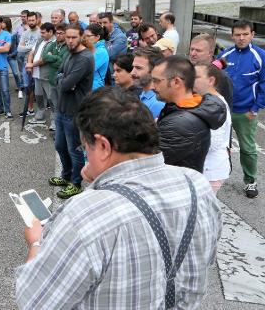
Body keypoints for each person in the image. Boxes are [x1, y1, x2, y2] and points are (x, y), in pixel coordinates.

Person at [16, 87, 221, 310]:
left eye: (85, 148)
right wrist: (102, 177)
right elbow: (203, 258)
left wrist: (36, 243)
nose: (86, 155)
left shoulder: (84, 214)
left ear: (103, 146)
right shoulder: (197, 184)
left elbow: (34, 302)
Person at [151, 55, 226, 173]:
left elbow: (149, 163)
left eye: (156, 81)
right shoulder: (185, 109)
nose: (152, 86)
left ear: (176, 82)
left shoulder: (180, 123)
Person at [219, 20, 265, 198]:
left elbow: (264, 85)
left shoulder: (260, 56)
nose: (241, 38)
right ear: (232, 36)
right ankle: (217, 177)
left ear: (252, 34)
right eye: (237, 34)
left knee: (247, 148)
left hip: (245, 112)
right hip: (223, 111)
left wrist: (255, 108)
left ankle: (250, 181)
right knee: (219, 146)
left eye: (245, 34)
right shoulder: (225, 55)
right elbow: (211, 76)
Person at [49, 24, 94, 199]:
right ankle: (65, 176)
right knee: (60, 146)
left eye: (74, 37)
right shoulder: (69, 53)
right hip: (62, 109)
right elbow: (58, 78)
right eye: (67, 37)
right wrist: (63, 80)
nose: (69, 40)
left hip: (75, 111)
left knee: (74, 149)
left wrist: (64, 81)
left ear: (81, 36)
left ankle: (75, 183)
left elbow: (66, 84)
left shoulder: (84, 58)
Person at [194, 62, 232, 194]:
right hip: (204, 167)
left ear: (211, 80)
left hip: (211, 170)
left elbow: (213, 143)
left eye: (196, 77)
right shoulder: (205, 100)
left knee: (203, 212)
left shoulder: (216, 105)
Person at [189, 33, 233, 110]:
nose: (193, 53)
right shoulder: (186, 69)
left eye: (198, 51)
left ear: (210, 53)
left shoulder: (222, 78)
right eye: (191, 49)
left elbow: (225, 108)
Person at [26, 22, 57, 125]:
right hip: (36, 74)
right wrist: (29, 63)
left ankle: (54, 120)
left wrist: (31, 65)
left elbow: (45, 60)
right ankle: (40, 116)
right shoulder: (40, 40)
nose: (41, 34)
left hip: (47, 76)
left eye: (43, 33)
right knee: (38, 96)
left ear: (51, 32)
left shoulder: (55, 43)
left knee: (51, 98)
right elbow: (31, 52)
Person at [131, 47, 166, 120]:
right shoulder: (144, 94)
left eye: (138, 68)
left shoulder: (158, 103)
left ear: (154, 70)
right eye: (133, 67)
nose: (132, 73)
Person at [83, 23, 109, 90]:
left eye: (88, 36)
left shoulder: (101, 52)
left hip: (95, 89)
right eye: (84, 36)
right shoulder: (88, 48)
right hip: (87, 87)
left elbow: (85, 69)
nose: (85, 39)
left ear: (97, 37)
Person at [3, 17, 23, 98]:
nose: (1, 24)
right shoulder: (1, 34)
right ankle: (5, 89)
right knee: (4, 73)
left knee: (15, 73)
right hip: (3, 56)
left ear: (6, 24)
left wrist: (12, 54)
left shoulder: (13, 34)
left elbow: (17, 46)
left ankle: (20, 87)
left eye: (2, 22)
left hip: (11, 56)